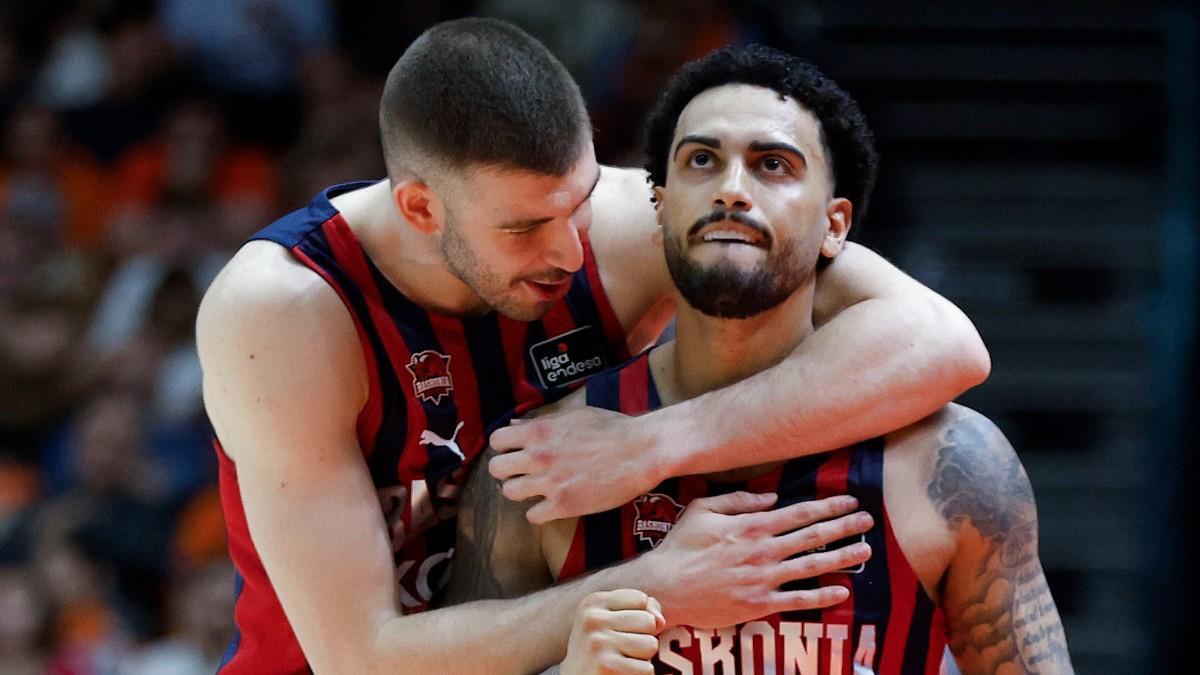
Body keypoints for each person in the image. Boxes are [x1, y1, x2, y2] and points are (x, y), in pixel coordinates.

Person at [196, 19, 990, 674]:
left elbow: (941, 341)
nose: (570, 252)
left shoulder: (618, 224)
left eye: (576, 203)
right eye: (524, 229)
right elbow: (361, 657)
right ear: (421, 209)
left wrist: (655, 442)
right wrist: (654, 586)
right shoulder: (283, 310)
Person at [447, 45, 1072, 675]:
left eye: (773, 164)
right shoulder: (539, 467)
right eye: (701, 160)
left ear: (835, 225)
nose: (730, 190)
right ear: (658, 207)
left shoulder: (954, 466)